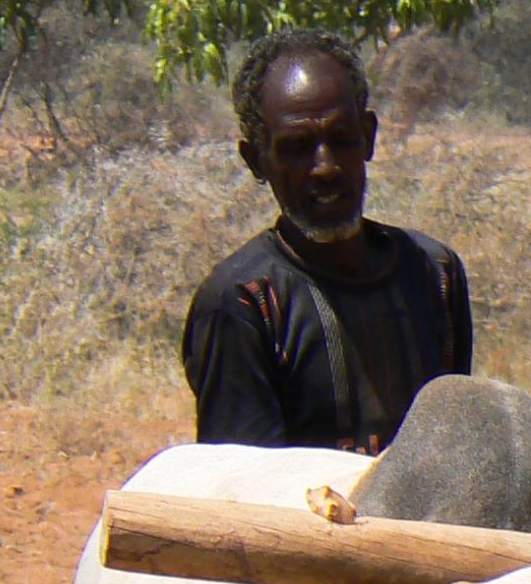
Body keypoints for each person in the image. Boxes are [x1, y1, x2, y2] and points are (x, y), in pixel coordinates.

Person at [180, 29, 473, 451]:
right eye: (298, 147)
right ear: (256, 160)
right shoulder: (241, 304)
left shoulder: (435, 273)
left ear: (368, 137)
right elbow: (242, 493)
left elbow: (453, 452)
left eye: (341, 139)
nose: (325, 167)